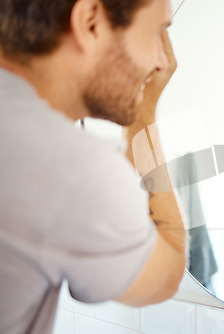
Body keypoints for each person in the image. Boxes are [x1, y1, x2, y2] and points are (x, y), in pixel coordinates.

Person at [0, 0, 186, 333]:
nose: (163, 61)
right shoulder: (71, 167)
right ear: (90, 23)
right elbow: (166, 275)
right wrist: (144, 114)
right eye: (158, 32)